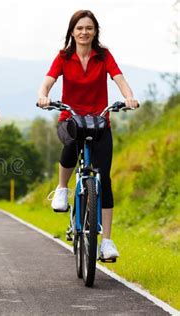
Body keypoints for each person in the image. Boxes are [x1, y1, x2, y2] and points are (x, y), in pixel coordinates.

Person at [37, 10, 138, 260]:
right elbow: (48, 81)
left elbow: (119, 78)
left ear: (95, 31)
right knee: (71, 142)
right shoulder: (64, 57)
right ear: (72, 31)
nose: (84, 32)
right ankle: (62, 189)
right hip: (70, 119)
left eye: (89, 28)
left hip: (99, 121)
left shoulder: (103, 56)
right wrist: (43, 95)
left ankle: (107, 242)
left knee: (104, 178)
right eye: (80, 28)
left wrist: (129, 97)